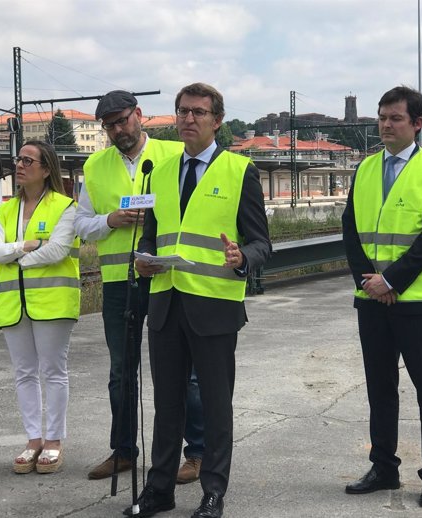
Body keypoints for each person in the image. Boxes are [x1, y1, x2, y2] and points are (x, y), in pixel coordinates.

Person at [130, 83, 271, 518]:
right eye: (182, 111)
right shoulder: (160, 172)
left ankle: (214, 491)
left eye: (198, 112)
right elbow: (154, 234)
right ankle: (159, 489)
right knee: (166, 404)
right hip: (166, 305)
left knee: (214, 405)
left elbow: (262, 243)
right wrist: (144, 259)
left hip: (214, 307)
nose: (188, 118)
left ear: (217, 121)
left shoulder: (239, 170)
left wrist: (241, 257)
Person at [74, 90, 205, 483]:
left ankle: (196, 453)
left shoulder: (172, 155)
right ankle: (124, 451)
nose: (117, 130)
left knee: (186, 372)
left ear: (140, 116)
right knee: (121, 371)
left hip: (168, 278)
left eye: (123, 120)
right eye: (109, 125)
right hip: (119, 283)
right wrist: (110, 220)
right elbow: (80, 225)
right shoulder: (95, 167)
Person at [341, 86, 422, 508]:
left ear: (417, 124)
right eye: (382, 118)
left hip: (419, 303)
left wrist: (392, 282)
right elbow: (351, 230)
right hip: (370, 299)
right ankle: (384, 467)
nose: (386, 126)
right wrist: (369, 280)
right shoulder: (365, 170)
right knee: (380, 388)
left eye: (396, 119)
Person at [0, 140, 80, 474]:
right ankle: (33, 439)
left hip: (53, 303)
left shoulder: (65, 207)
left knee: (53, 371)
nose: (20, 165)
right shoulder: (5, 210)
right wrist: (24, 246)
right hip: (13, 304)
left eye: (28, 160)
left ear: (46, 168)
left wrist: (17, 260)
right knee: (24, 372)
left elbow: (58, 249)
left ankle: (53, 441)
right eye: (18, 159)